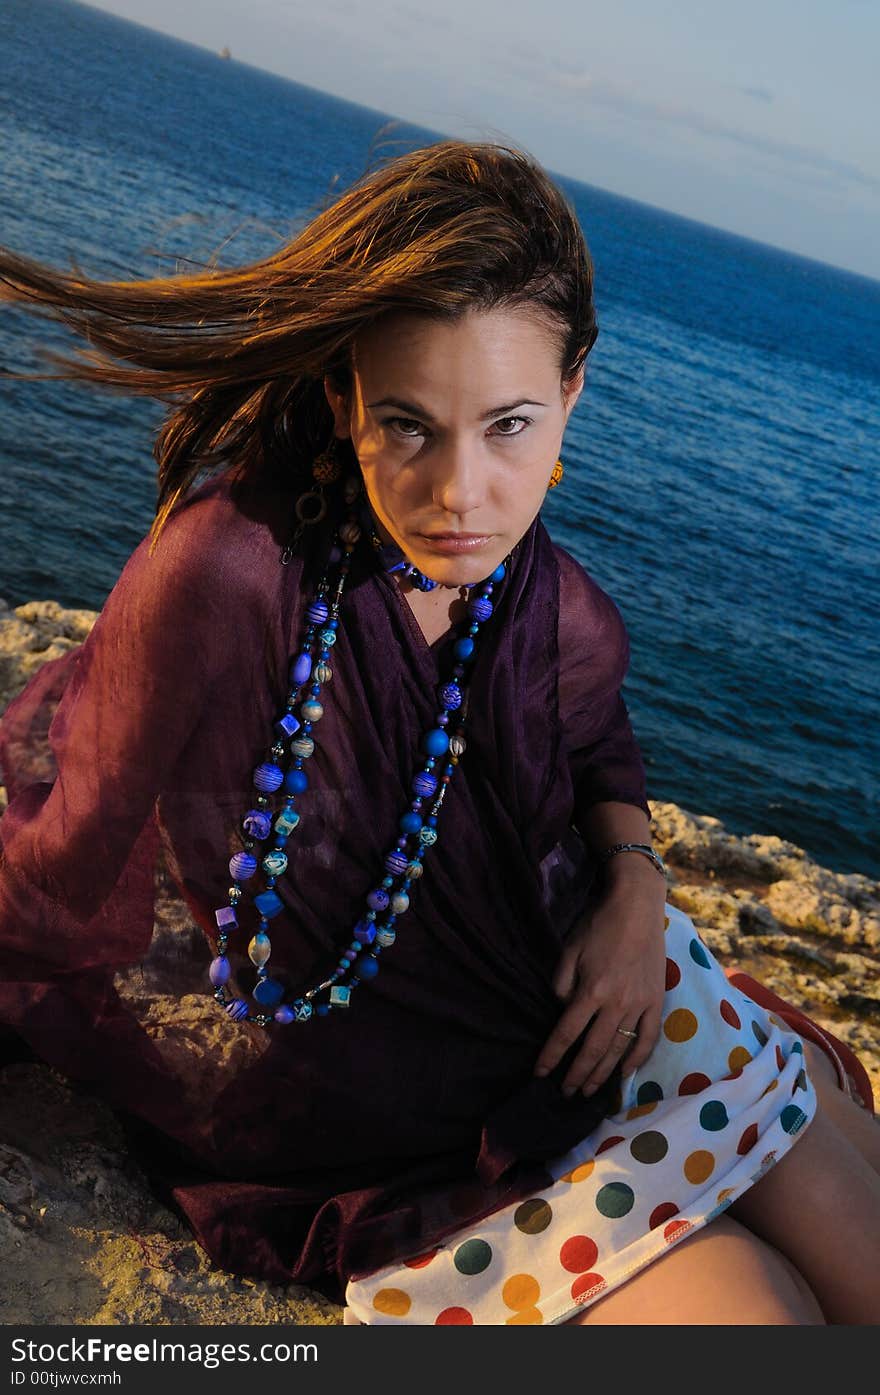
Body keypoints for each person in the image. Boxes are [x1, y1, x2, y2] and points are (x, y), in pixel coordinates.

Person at [0, 139, 878, 1327]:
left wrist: (630, 881)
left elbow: (591, 730)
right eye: (408, 426)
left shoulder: (538, 591)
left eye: (510, 424)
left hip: (614, 994)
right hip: (405, 1136)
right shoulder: (225, 572)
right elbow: (59, 867)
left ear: (574, 391)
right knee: (767, 1322)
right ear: (340, 397)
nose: (462, 492)